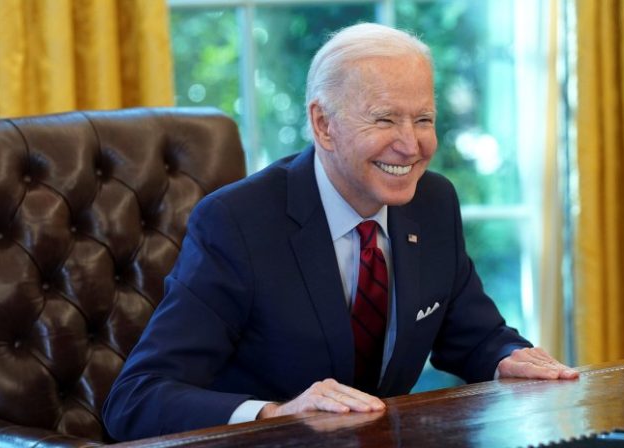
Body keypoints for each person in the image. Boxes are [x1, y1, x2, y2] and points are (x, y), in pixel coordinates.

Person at [102, 22, 578, 441]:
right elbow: (136, 398)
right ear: (323, 124)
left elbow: (474, 336)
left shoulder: (433, 203)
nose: (410, 145)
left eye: (424, 119)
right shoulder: (237, 222)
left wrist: (507, 357)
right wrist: (275, 414)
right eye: (385, 119)